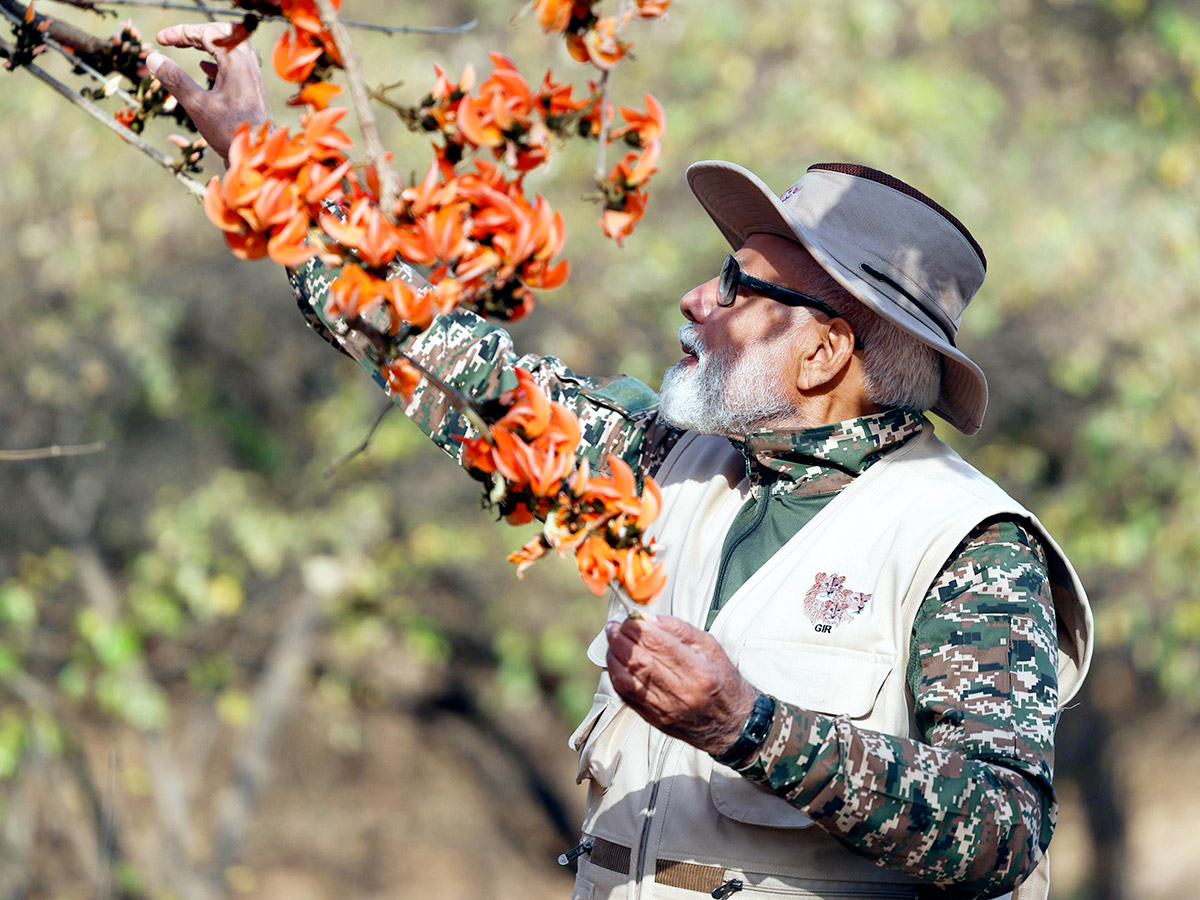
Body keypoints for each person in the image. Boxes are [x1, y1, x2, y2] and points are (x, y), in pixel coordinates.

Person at [148, 23, 1093, 900]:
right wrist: (263, 161)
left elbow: (1000, 827)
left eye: (737, 284)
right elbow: (456, 365)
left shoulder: (964, 543)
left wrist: (748, 726)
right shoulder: (664, 460)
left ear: (824, 354)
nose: (694, 298)